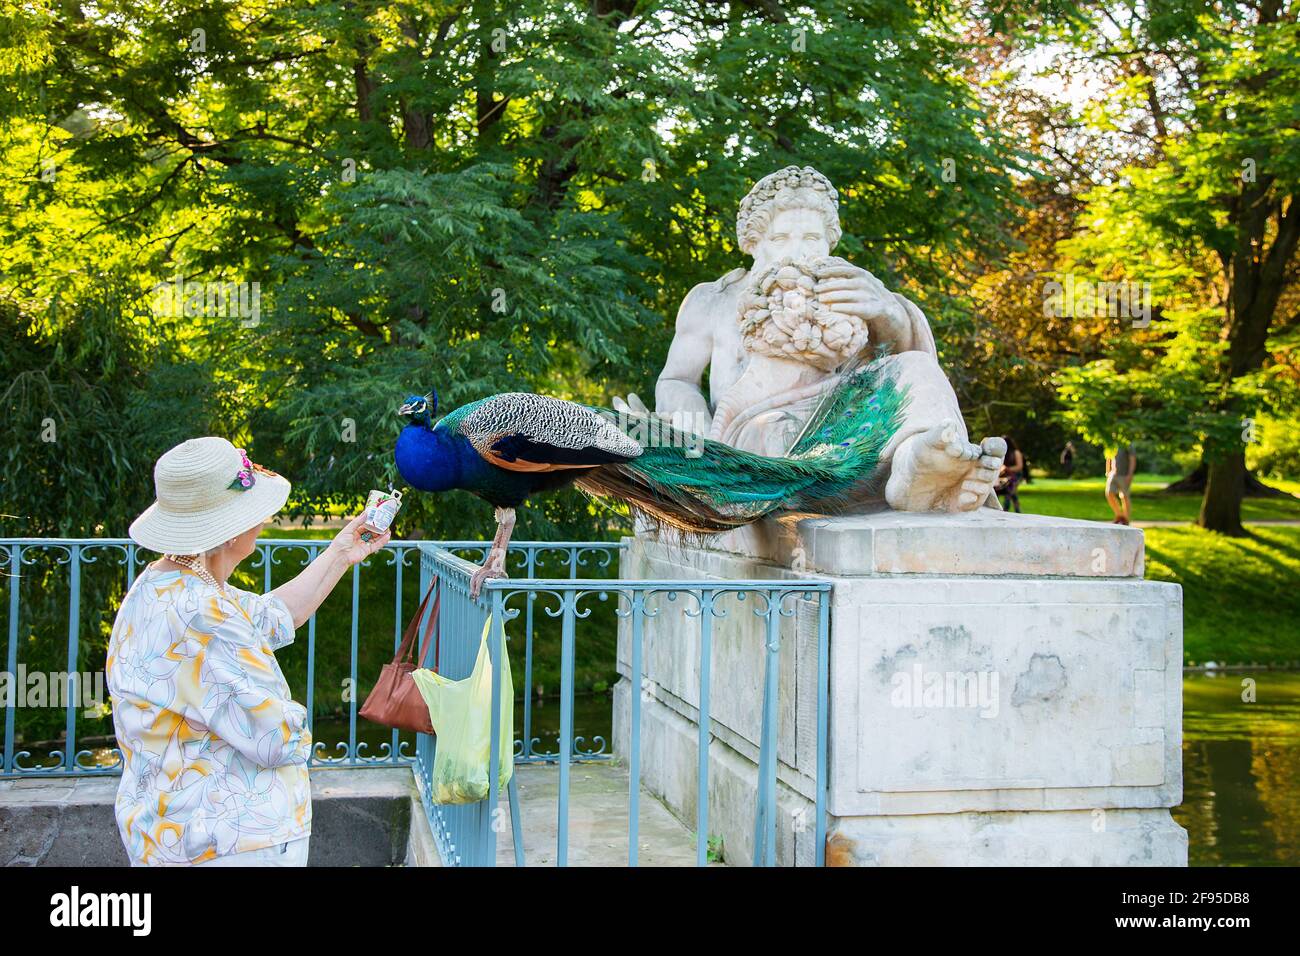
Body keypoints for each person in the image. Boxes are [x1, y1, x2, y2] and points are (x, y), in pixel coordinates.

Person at [106, 436, 391, 866]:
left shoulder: (168, 585)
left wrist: (340, 552)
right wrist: (301, 720)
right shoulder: (202, 613)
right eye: (254, 510)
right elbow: (278, 738)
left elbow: (273, 616)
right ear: (228, 528)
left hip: (174, 832)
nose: (264, 519)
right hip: (227, 844)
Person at [1105, 442, 1137, 525]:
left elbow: (1132, 459)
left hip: (1124, 475)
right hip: (1113, 474)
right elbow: (1108, 457)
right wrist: (1108, 471)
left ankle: (1126, 520)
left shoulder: (1128, 444)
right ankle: (1120, 516)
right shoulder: (1112, 444)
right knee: (1109, 493)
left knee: (1124, 496)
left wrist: (1130, 474)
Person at [996, 436, 1024, 512]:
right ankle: (1017, 510)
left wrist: (1007, 468)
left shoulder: (1016, 453)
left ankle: (1007, 510)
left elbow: (1019, 466)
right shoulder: (1002, 454)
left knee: (1010, 493)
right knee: (1011, 494)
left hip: (1015, 476)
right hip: (1005, 476)